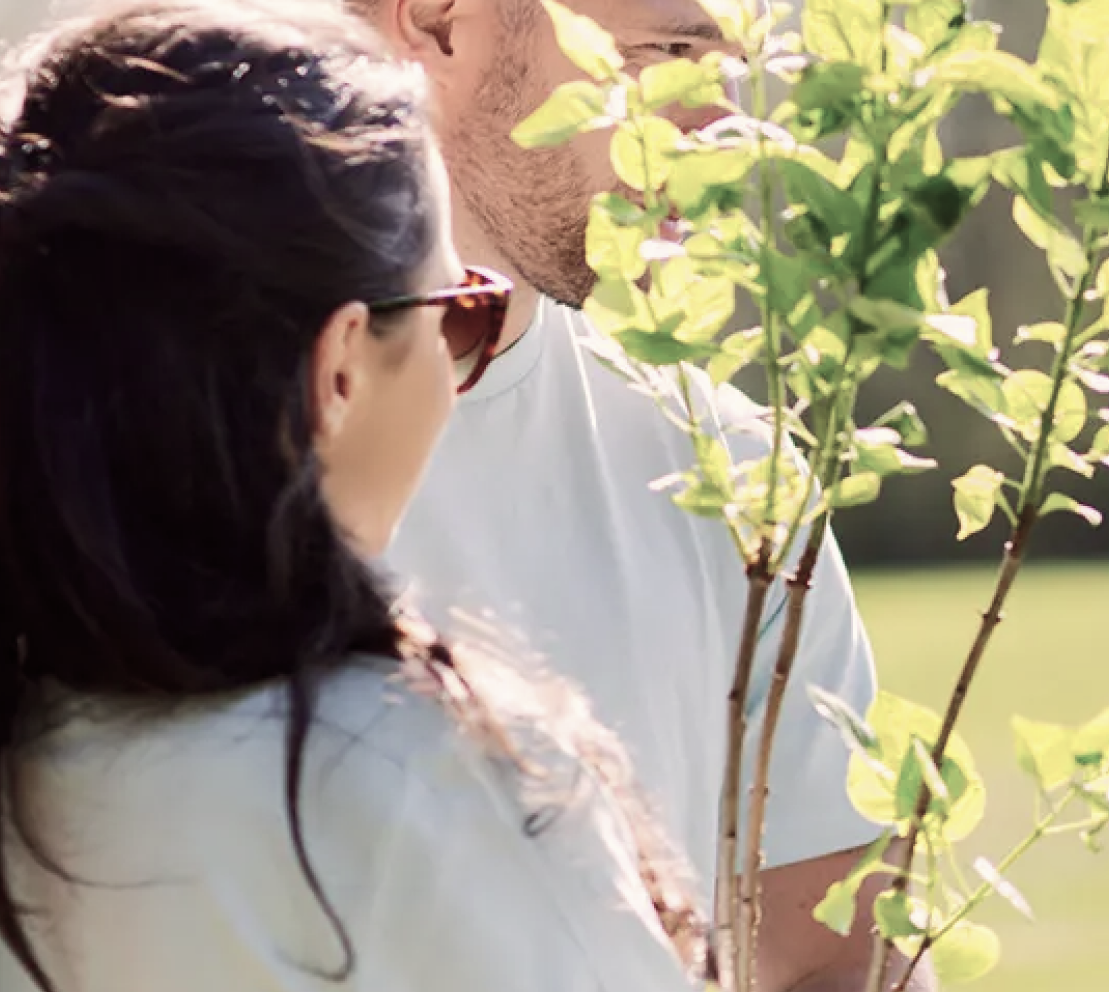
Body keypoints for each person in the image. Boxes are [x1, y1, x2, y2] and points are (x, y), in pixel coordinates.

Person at [0, 1, 707, 989]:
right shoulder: (421, 780)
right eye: (460, 314)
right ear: (343, 363)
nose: (457, 366)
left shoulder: (6, 766)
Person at [342, 0, 905, 987]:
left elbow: (833, 959)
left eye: (733, 66)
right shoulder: (142, 442)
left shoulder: (735, 473)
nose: (723, 127)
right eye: (669, 52)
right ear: (437, 25)